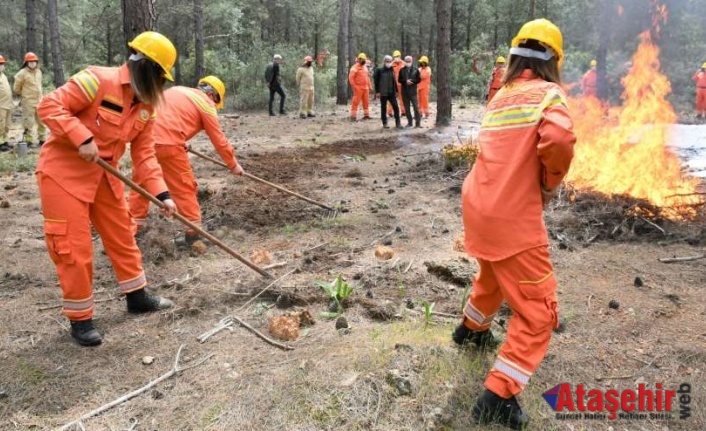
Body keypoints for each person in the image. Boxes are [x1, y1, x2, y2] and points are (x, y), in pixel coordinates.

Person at [452, 18, 575, 430]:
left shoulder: (502, 95)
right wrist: (549, 181)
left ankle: (470, 330)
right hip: (512, 216)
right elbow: (558, 142)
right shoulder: (549, 95)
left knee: (493, 275)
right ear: (553, 60)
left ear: (516, 56)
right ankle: (499, 394)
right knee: (539, 311)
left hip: (479, 206)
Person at [36, 31, 179, 347]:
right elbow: (49, 106)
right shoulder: (96, 80)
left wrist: (163, 195)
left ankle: (137, 296)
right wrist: (81, 137)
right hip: (64, 174)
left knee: (123, 235)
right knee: (73, 247)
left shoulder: (145, 107)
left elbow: (145, 156)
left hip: (105, 176)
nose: (162, 85)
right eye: (161, 77)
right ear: (146, 67)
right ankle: (81, 318)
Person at [129, 75, 244, 246]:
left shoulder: (177, 90)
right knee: (184, 187)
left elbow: (167, 118)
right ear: (213, 95)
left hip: (142, 142)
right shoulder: (206, 104)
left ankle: (134, 231)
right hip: (169, 145)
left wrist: (180, 141)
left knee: (141, 185)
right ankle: (193, 235)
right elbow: (219, 139)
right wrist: (233, 165)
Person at [14, 52, 46, 147]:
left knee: (41, 121)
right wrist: (25, 95)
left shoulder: (39, 72)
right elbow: (16, 88)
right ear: (26, 63)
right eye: (30, 62)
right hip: (28, 102)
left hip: (39, 101)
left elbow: (40, 85)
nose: (32, 63)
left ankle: (42, 139)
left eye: (34, 61)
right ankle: (29, 141)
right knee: (29, 122)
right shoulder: (21, 73)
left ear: (36, 62)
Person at [374, 55, 402, 129]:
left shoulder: (392, 70)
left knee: (396, 107)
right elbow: (376, 82)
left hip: (391, 92)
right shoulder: (379, 70)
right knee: (383, 108)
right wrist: (377, 92)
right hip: (383, 92)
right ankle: (385, 123)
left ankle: (398, 123)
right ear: (384, 61)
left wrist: (396, 90)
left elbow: (394, 81)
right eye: (387, 61)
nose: (388, 63)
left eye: (390, 61)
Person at [398, 56, 421, 128]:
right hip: (404, 92)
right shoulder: (401, 70)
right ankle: (409, 122)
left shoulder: (416, 70)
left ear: (412, 61)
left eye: (409, 61)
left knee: (416, 108)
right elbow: (399, 80)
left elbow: (418, 79)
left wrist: (412, 81)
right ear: (404, 61)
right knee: (407, 109)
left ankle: (418, 123)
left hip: (413, 92)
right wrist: (405, 81)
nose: (408, 62)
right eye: (406, 61)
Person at [349, 53, 371, 121]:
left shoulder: (365, 67)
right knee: (355, 102)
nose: (363, 60)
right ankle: (353, 117)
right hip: (358, 87)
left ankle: (366, 115)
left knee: (366, 102)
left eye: (364, 59)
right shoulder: (354, 67)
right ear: (359, 59)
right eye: (362, 59)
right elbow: (351, 78)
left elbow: (367, 77)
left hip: (366, 87)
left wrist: (369, 85)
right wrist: (354, 86)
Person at [387, 50, 406, 117]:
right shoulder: (391, 65)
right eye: (395, 56)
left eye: (397, 56)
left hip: (401, 84)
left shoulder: (404, 64)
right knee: (392, 98)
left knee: (402, 98)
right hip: (393, 85)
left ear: (400, 56)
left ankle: (403, 112)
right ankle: (389, 112)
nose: (396, 58)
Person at [0, 55, 12, 152]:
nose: (1, 66)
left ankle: (5, 140)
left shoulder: (4, 76)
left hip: (8, 104)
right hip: (0, 105)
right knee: (0, 124)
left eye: (2, 64)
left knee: (6, 125)